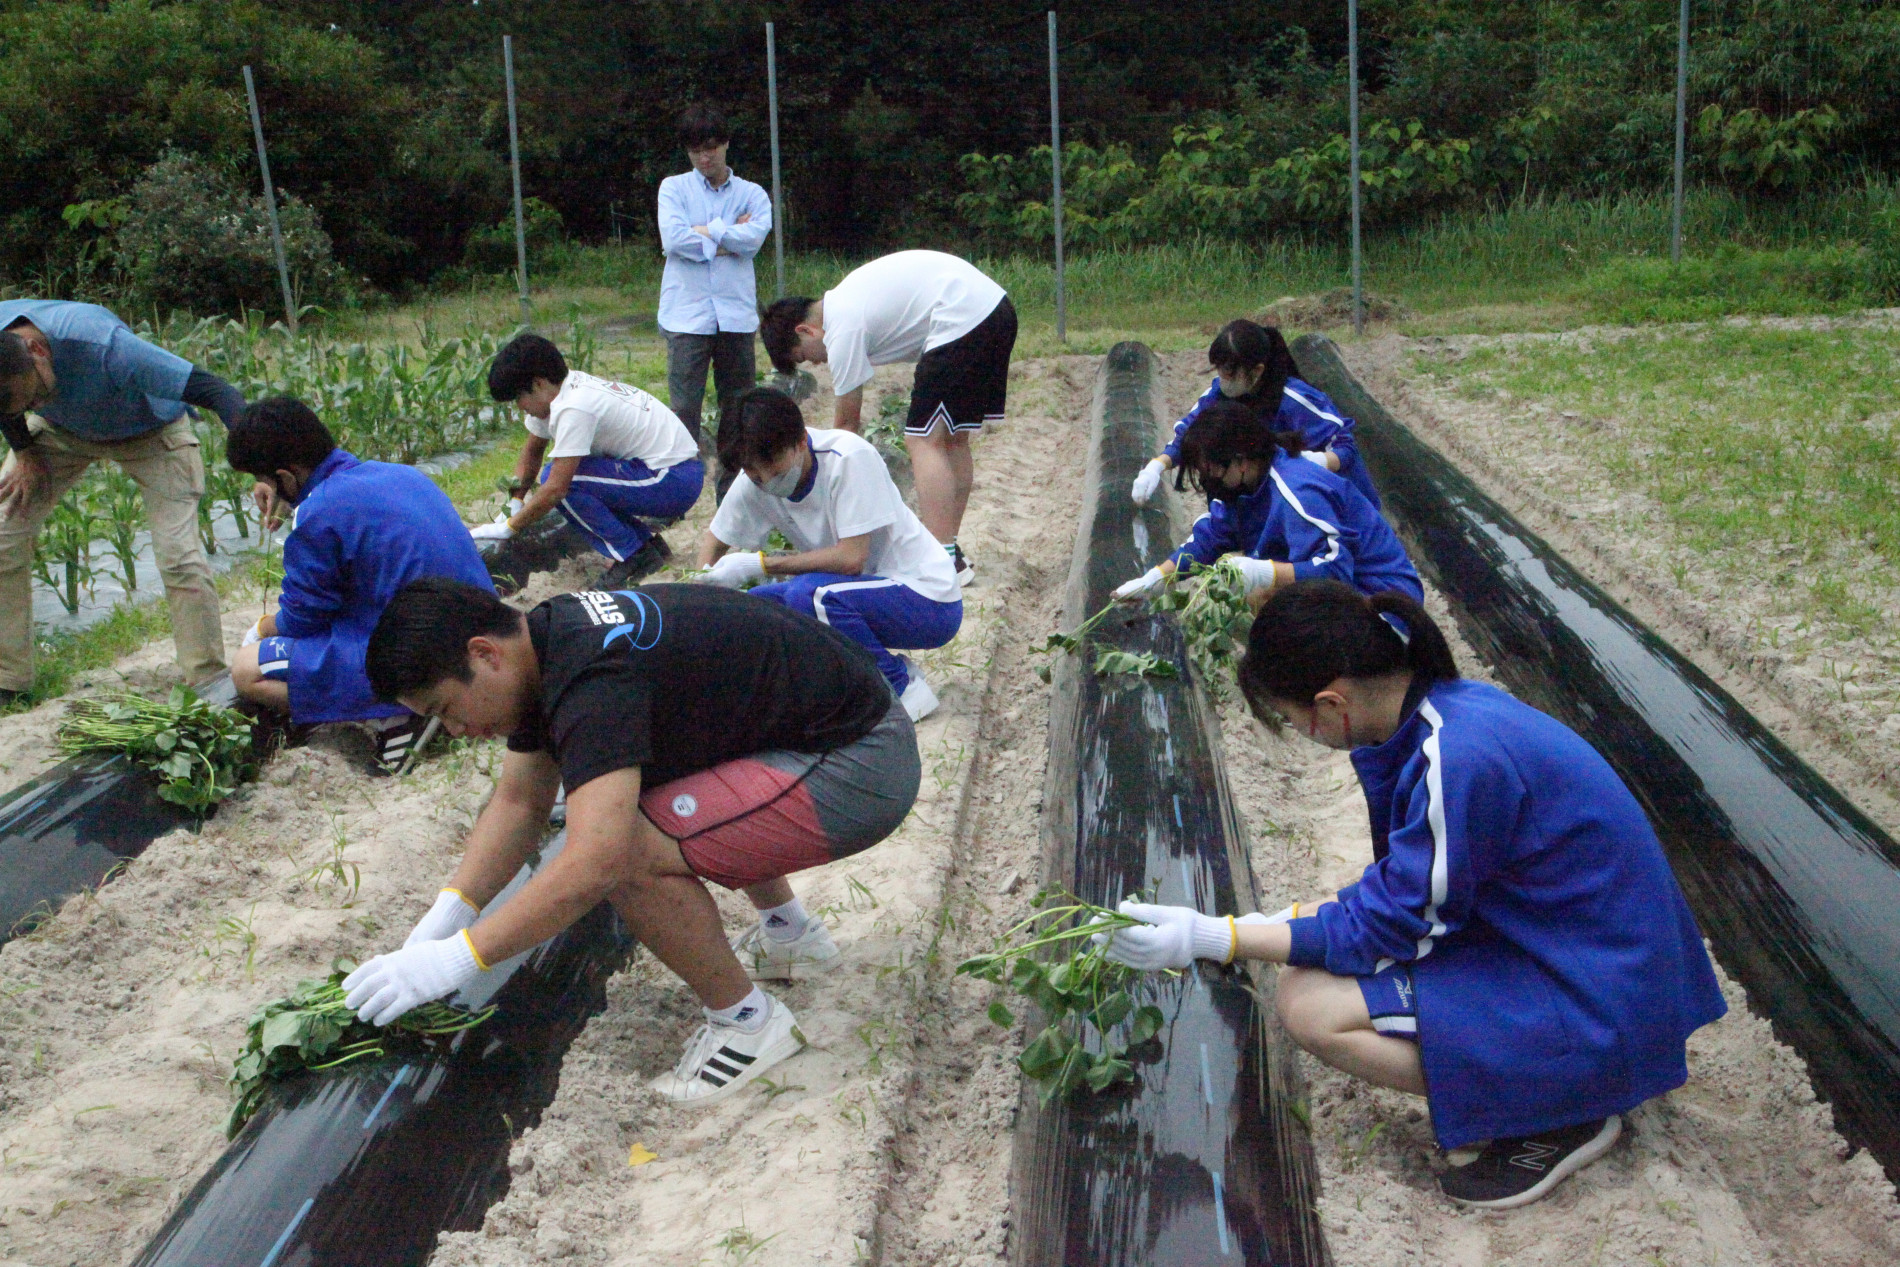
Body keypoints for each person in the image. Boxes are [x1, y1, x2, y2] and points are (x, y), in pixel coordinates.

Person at [1094, 581, 1726, 1209]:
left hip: (1601, 999)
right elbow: (1404, 892)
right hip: (1585, 957)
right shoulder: (1452, 713)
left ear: (1331, 703)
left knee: (1311, 1007)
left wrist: (1218, 936)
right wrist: (1253, 928)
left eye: (1294, 720)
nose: (1303, 733)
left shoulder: (1457, 758)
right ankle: (1551, 1079)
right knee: (1314, 939)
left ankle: (1562, 1111)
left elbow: (1394, 923)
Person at [348, 577, 921, 1106]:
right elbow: (520, 802)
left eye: (445, 710)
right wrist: (447, 915)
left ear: (484, 654)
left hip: (861, 766)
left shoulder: (592, 679)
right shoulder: (548, 642)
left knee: (623, 848)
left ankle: (749, 1025)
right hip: (831, 735)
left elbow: (595, 863)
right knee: (632, 792)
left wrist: (457, 960)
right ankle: (790, 933)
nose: (452, 730)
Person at [224, 397, 497, 770]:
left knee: (246, 669)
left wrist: (260, 628)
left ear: (285, 478)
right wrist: (294, 497)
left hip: (425, 655)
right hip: (482, 631)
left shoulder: (319, 514)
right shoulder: (399, 474)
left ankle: (396, 714)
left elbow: (302, 620)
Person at [0, 300, 247, 705]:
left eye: (34, 397)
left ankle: (208, 683)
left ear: (37, 351)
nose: (33, 406)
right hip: (60, 434)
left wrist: (258, 453)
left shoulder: (104, 345)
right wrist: (24, 450)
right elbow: (9, 404)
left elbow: (214, 390)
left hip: (151, 433)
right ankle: (8, 681)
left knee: (178, 556)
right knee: (2, 532)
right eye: (24, 407)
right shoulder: (8, 352)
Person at [697, 387, 961, 722]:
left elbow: (852, 558)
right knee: (756, 610)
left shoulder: (847, 458)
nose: (765, 480)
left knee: (810, 594)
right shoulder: (757, 480)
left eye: (773, 467)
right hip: (865, 595)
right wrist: (701, 587)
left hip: (928, 600)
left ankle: (901, 686)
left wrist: (761, 564)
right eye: (753, 472)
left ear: (800, 440)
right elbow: (716, 538)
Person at [759, 250, 1017, 588]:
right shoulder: (851, 298)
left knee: (922, 439)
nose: (817, 365)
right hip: (996, 310)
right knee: (953, 439)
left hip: (961, 319)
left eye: (805, 357)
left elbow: (846, 427)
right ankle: (949, 549)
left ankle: (941, 558)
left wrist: (826, 485)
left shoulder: (841, 326)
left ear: (805, 330)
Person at [1112, 400, 1421, 607]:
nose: (1209, 482)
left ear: (1240, 462)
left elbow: (1336, 571)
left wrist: (1265, 574)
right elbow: (1211, 537)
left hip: (1386, 604)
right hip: (1350, 598)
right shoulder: (1245, 489)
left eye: (1211, 472)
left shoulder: (1297, 491)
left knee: (1262, 600)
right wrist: (1156, 578)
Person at [482, 334, 703, 587]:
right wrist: (514, 501)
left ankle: (633, 554)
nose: (519, 407)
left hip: (673, 480)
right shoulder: (561, 393)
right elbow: (532, 452)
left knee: (564, 481)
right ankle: (649, 548)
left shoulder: (574, 407)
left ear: (539, 383)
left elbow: (556, 489)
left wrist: (509, 528)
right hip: (667, 473)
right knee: (570, 476)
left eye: (518, 398)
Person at [1131, 320, 1381, 512]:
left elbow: (1346, 447)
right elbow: (1191, 432)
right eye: (1219, 370)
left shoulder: (1295, 402)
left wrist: (1313, 462)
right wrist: (1157, 466)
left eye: (1229, 372)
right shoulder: (1220, 395)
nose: (1222, 379)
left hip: (1334, 502)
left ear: (1257, 370)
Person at [657, 103, 772, 486]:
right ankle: (680, 486)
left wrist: (703, 231)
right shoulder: (673, 188)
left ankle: (734, 486)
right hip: (686, 315)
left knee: (738, 408)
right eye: (694, 151)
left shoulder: (752, 194)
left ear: (725, 144)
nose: (704, 157)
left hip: (736, 316)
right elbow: (675, 239)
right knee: (685, 407)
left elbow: (754, 239)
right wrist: (726, 232)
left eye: (710, 147)